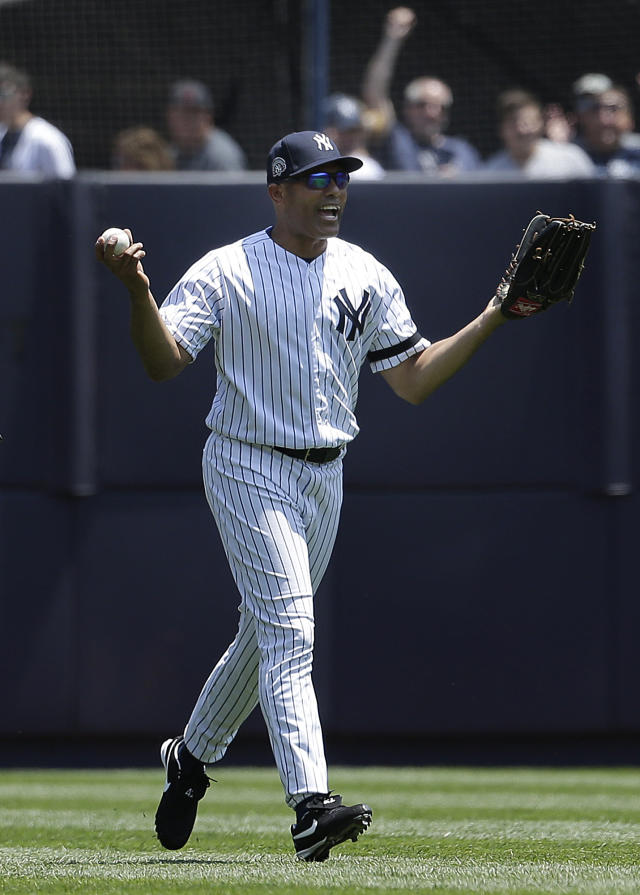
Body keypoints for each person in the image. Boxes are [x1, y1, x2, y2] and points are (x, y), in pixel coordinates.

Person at [95, 129, 509, 861]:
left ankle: (188, 759)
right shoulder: (228, 269)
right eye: (315, 179)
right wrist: (136, 287)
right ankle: (311, 806)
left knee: (264, 634)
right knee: (291, 630)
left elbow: (413, 379)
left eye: (339, 177)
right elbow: (164, 361)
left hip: (326, 473)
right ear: (277, 192)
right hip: (246, 461)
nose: (332, 191)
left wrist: (496, 314)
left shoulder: (366, 272)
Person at [361, 6, 480, 175]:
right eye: (422, 105)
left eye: (441, 107)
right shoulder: (396, 141)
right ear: (407, 108)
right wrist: (392, 40)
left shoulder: (463, 152)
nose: (432, 113)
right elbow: (374, 93)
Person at [484, 89, 594, 178]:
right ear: (501, 129)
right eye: (514, 123)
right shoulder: (490, 173)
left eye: (528, 122)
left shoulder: (570, 158)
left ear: (541, 124)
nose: (522, 131)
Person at [0, 62, 75, 177]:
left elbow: (65, 189)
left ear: (24, 94)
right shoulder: (2, 134)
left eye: (3, 95)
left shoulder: (47, 139)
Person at [165, 79, 247, 171]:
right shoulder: (170, 153)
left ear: (208, 117)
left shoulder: (222, 155)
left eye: (194, 113)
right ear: (170, 116)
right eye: (182, 113)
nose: (187, 120)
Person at [572, 77, 640, 175]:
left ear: (630, 118)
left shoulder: (637, 150)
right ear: (583, 117)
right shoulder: (566, 157)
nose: (605, 121)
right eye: (595, 110)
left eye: (614, 109)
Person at [323, 93, 385, 180]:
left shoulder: (367, 168)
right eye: (344, 132)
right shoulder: (316, 167)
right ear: (328, 131)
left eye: (355, 131)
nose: (352, 137)